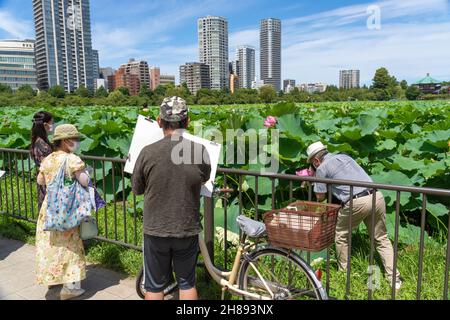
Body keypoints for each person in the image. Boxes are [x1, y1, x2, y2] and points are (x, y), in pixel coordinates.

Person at [132, 96, 211, 301]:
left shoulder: (147, 152)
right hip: (186, 227)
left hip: (155, 228)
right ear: (187, 122)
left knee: (155, 286)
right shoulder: (199, 151)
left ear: (159, 121)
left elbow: (137, 189)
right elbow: (205, 178)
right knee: (187, 283)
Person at [306, 141, 402, 290]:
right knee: (381, 238)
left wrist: (313, 178)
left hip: (357, 201)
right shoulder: (345, 157)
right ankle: (394, 279)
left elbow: (320, 197)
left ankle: (344, 273)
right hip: (377, 195)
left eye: (312, 163)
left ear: (316, 161)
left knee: (341, 235)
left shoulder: (321, 168)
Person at [35, 124, 90, 300]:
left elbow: (41, 181)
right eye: (75, 139)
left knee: (51, 246)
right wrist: (86, 173)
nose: (77, 142)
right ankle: (70, 288)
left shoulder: (48, 159)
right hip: (68, 210)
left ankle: (53, 278)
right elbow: (84, 181)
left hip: (49, 208)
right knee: (70, 247)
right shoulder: (72, 159)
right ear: (66, 141)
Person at [30, 111, 54, 211]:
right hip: (48, 181)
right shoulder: (43, 145)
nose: (53, 125)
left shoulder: (38, 140)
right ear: (45, 125)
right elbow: (50, 165)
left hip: (43, 180)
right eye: (52, 123)